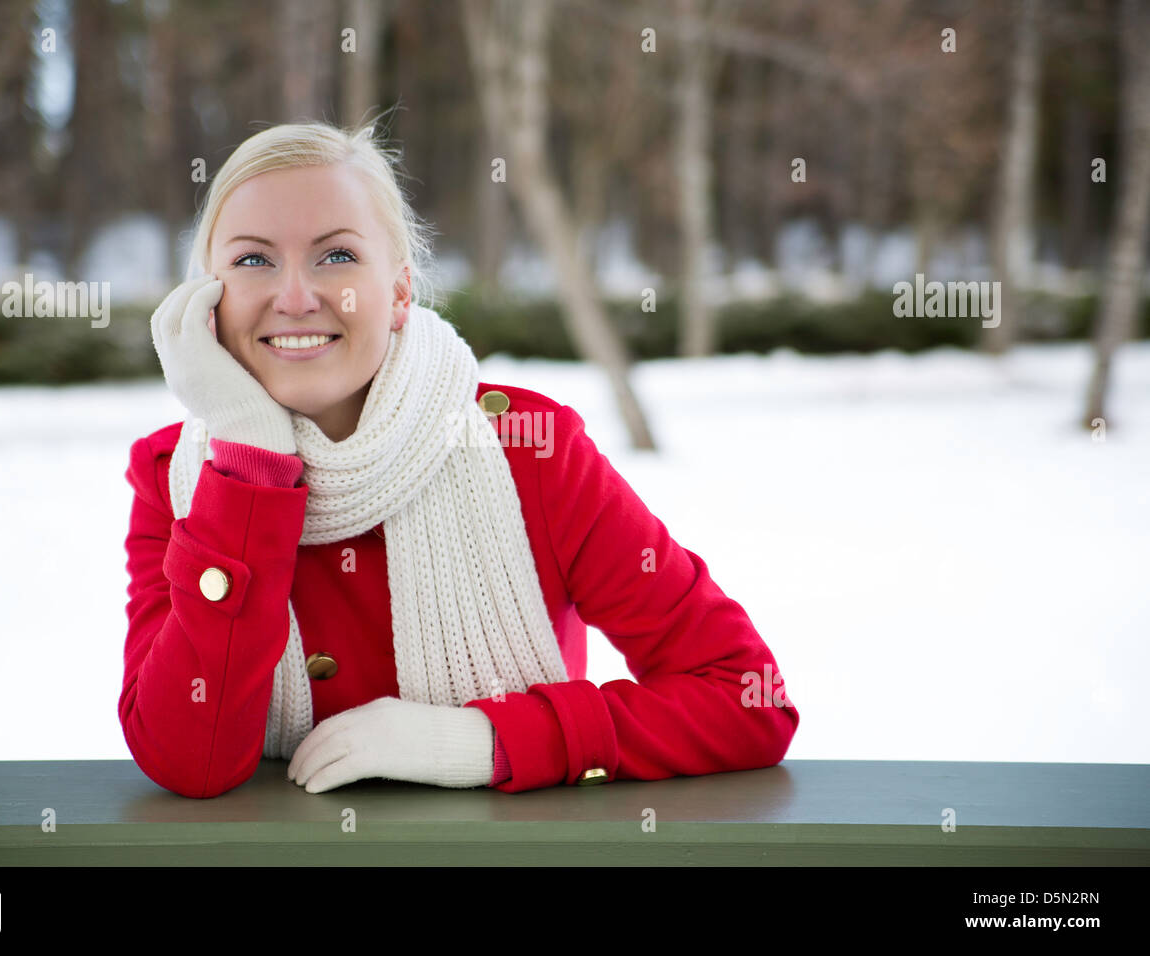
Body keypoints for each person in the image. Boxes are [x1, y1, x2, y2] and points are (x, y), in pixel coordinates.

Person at [120, 119, 799, 799]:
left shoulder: (529, 449)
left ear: (399, 292)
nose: (295, 298)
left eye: (336, 257)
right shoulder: (174, 481)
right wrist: (247, 463)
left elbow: (747, 698)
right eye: (252, 260)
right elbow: (188, 760)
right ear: (204, 305)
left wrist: (488, 741)